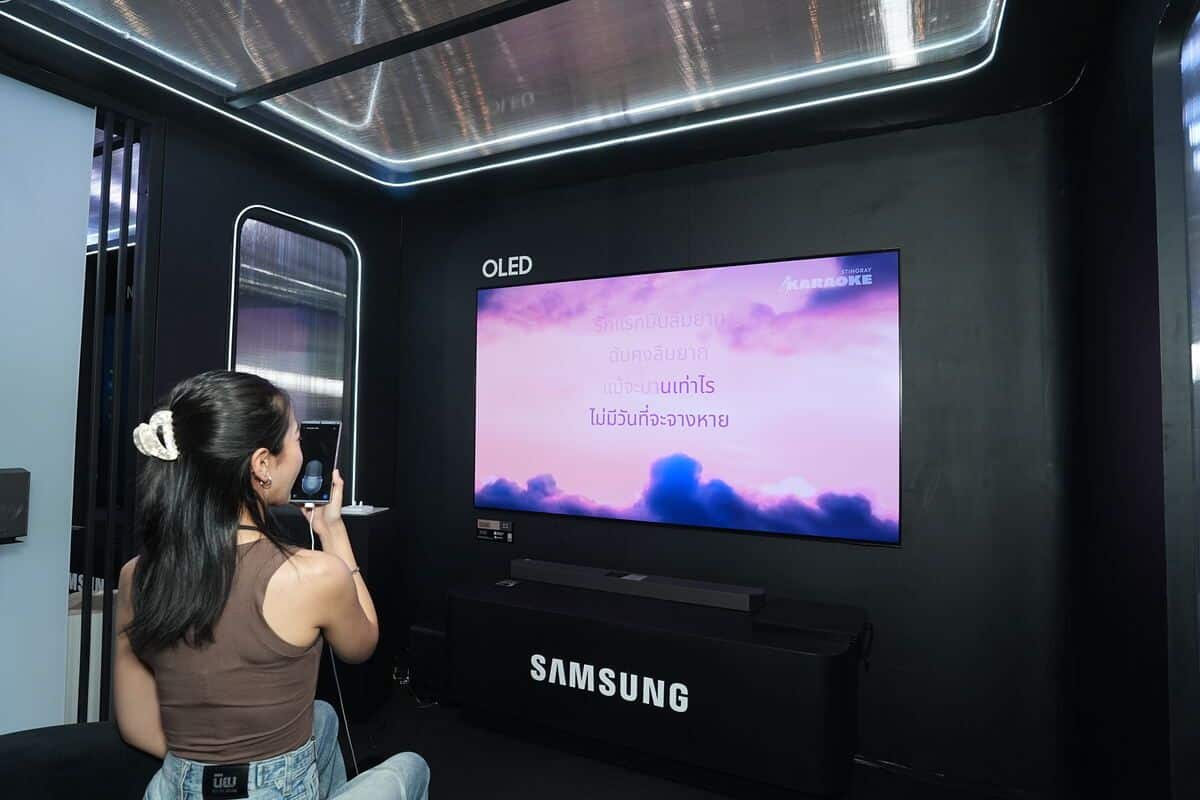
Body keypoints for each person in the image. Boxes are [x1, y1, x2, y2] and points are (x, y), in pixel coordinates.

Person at [112, 370, 429, 799]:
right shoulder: (313, 574)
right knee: (412, 768)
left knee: (322, 716)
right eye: (297, 438)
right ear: (262, 465)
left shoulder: (136, 575)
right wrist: (333, 531)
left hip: (174, 787)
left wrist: (208, 773)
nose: (302, 453)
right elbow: (363, 643)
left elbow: (135, 722)